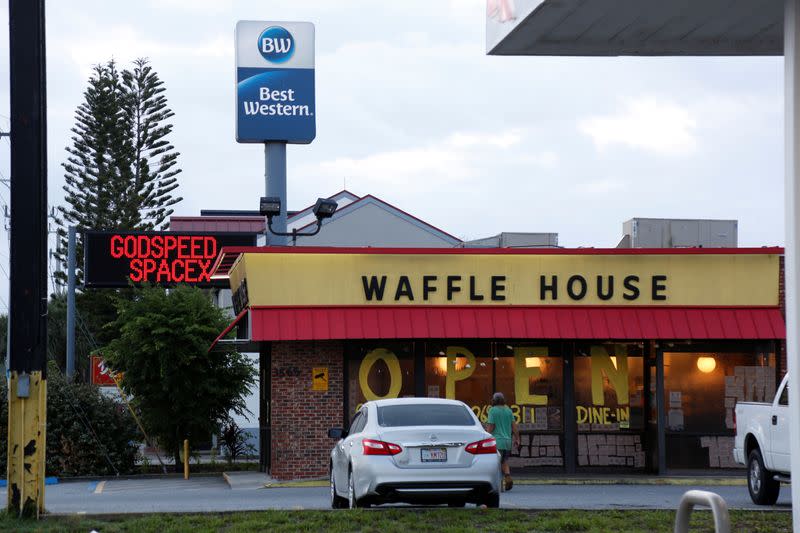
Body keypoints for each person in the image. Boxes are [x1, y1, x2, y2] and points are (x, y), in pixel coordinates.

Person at [486, 392, 520, 491]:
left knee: (496, 463)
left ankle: (497, 485)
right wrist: (517, 439)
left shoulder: (492, 411)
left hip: (497, 441)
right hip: (507, 442)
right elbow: (514, 427)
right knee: (504, 461)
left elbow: (491, 427)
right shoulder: (509, 411)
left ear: (494, 400)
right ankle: (508, 477)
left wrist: (486, 435)